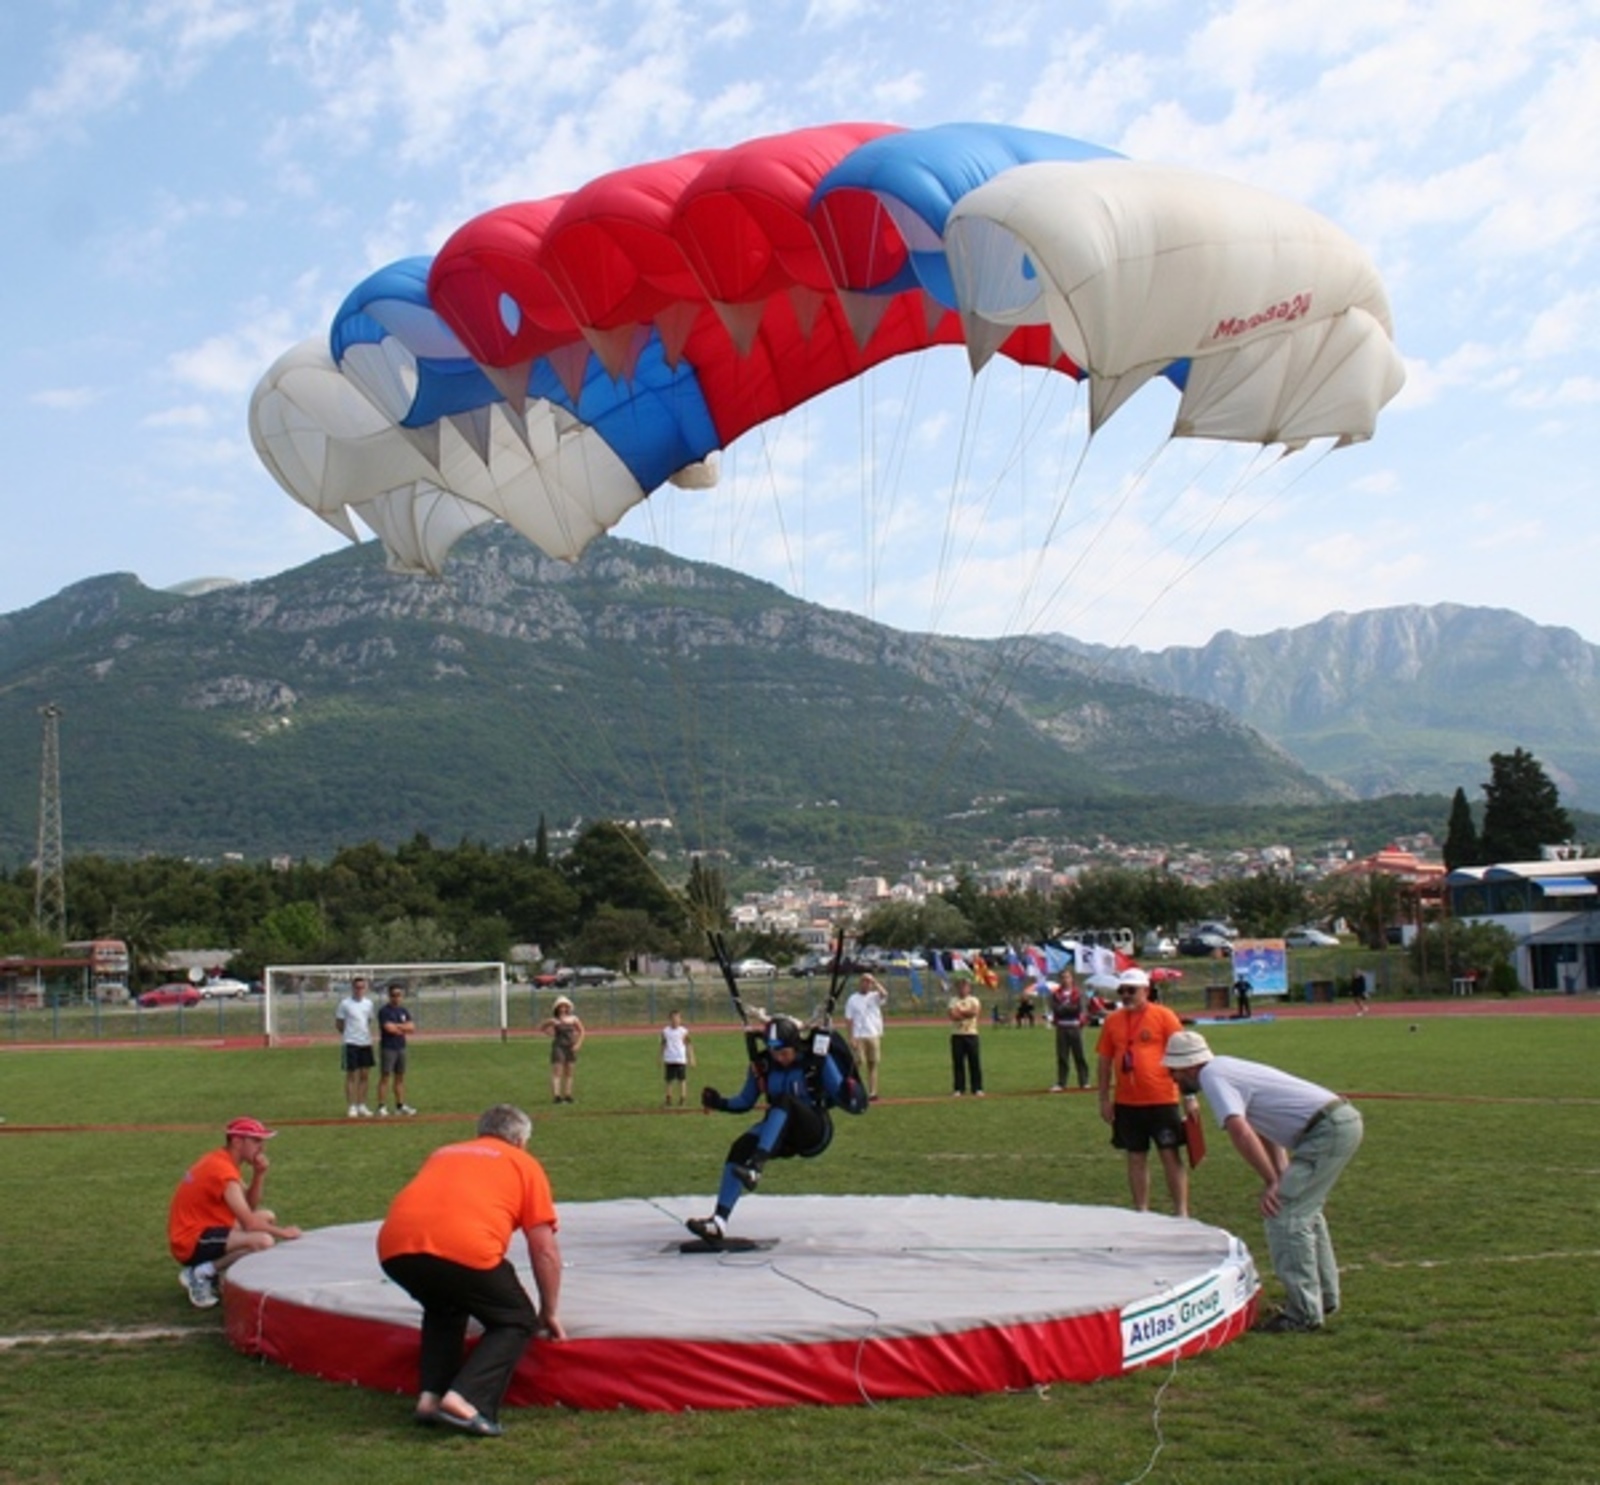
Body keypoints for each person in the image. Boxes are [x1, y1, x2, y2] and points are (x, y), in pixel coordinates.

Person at [377, 1104, 564, 1436]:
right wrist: (548, 1310)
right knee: (516, 1319)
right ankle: (466, 1400)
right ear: (520, 1141)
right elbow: (544, 1249)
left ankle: (430, 1396)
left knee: (443, 1306)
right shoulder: (523, 1163)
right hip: (464, 1247)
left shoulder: (444, 1153)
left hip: (395, 1248)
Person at [1162, 1031, 1363, 1333]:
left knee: (1284, 1215)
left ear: (1189, 1065)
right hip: (1335, 1123)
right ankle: (1322, 1298)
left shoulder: (1214, 1077)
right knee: (1302, 1211)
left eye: (1173, 1071)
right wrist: (1279, 1173)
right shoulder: (1226, 1068)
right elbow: (1264, 1124)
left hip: (1326, 1130)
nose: (1172, 1078)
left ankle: (1303, 1314)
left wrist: (1272, 1182)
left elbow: (1239, 1130)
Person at [685, 1015, 856, 1243]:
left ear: (795, 1046)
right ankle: (718, 1222)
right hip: (779, 1133)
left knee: (784, 1101)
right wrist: (720, 1102)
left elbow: (841, 1093)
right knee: (740, 1148)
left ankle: (756, 1167)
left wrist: (846, 1083)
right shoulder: (764, 1066)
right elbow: (745, 1101)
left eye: (784, 1053)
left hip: (814, 1129)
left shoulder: (815, 1061)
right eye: (775, 1053)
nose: (779, 1058)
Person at [167, 1116, 302, 1309]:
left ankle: (211, 1270)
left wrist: (259, 1174)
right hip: (190, 1239)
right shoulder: (222, 1170)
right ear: (238, 1141)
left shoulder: (222, 1160)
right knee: (263, 1241)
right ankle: (201, 1273)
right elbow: (249, 1223)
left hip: (203, 1226)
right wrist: (284, 1233)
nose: (261, 1148)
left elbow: (249, 1205)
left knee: (267, 1217)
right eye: (256, 1141)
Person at [1096, 968, 1191, 1217]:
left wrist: (1189, 1096)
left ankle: (1181, 1212)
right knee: (1135, 1156)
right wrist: (1104, 1099)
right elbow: (1104, 1061)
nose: (1126, 995)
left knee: (1170, 1154)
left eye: (1132, 990)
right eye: (1123, 991)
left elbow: (1184, 1056)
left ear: (1146, 991)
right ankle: (1142, 1211)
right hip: (1127, 1102)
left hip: (1162, 1098)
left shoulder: (1164, 1016)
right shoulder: (1112, 1021)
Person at [336, 976, 377, 1117]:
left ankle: (362, 1104)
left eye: (362, 987)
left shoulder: (368, 1004)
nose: (359, 990)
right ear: (353, 988)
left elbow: (369, 1020)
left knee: (365, 1075)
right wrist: (349, 1035)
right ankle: (352, 1105)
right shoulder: (345, 1004)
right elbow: (339, 1024)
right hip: (351, 1042)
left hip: (365, 1042)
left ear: (365, 988)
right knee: (351, 1075)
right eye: (357, 987)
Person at [375, 981, 418, 1116]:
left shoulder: (403, 1011)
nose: (396, 998)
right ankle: (382, 1106)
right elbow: (389, 1028)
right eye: (394, 995)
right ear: (389, 996)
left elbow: (412, 1027)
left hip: (401, 1046)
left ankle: (400, 1105)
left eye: (399, 995)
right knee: (385, 1076)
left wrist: (398, 1027)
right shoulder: (384, 1011)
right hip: (388, 1047)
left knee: (400, 1077)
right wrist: (402, 1027)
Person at [843, 972, 888, 1100]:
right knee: (858, 1061)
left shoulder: (874, 996)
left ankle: (873, 1092)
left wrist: (875, 982)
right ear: (860, 983)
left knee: (873, 1063)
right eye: (864, 981)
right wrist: (851, 1037)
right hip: (859, 1035)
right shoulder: (852, 999)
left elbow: (884, 994)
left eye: (869, 982)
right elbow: (849, 1019)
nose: (866, 984)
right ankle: (851, 1087)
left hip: (873, 1034)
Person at [537, 996, 586, 1103]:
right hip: (559, 1046)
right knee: (557, 1071)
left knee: (569, 1072)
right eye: (561, 1006)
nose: (563, 1009)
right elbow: (542, 1027)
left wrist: (578, 1044)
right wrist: (550, 1033)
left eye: (565, 1006)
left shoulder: (573, 1019)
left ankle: (568, 1095)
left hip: (570, 1046)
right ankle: (557, 1096)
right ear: (557, 1008)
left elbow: (582, 1031)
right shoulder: (554, 1020)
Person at [1048, 972, 1089, 1090]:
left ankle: (1084, 1081)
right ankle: (1061, 1082)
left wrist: (1065, 1008)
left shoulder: (1078, 993)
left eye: (1067, 977)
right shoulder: (1056, 994)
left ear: (1072, 979)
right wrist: (1068, 1008)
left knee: (1080, 1055)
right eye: (1063, 977)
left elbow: (1078, 1009)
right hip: (1062, 1027)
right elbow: (1056, 1010)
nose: (1065, 980)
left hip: (1075, 1027)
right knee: (1062, 1056)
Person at [947, 982, 985, 1096]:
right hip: (957, 1034)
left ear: (969, 988)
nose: (962, 989)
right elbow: (953, 1016)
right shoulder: (953, 1001)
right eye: (960, 987)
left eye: (965, 987)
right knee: (958, 1062)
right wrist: (965, 1013)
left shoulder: (974, 1000)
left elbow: (974, 1013)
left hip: (971, 1034)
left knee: (974, 1062)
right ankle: (959, 1088)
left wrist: (961, 1012)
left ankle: (977, 1088)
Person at [660, 1008, 695, 1106]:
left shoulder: (683, 1031)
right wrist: (660, 1056)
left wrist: (691, 1058)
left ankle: (683, 1098)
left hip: (680, 1059)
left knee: (682, 1080)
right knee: (669, 1080)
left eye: (677, 1019)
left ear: (680, 1020)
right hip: (669, 1059)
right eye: (673, 1019)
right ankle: (668, 1098)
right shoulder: (665, 1031)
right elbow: (663, 1044)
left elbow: (689, 1044)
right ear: (669, 1019)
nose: (675, 1021)